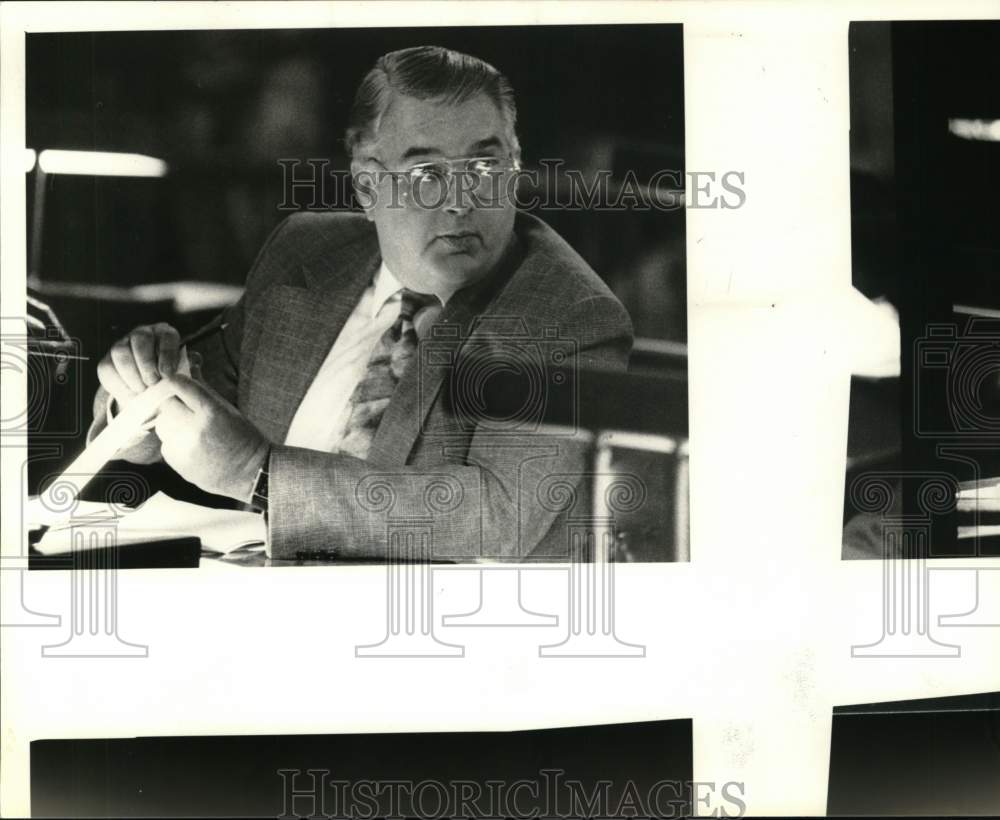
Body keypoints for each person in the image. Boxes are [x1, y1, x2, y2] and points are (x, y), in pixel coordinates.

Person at [91, 46, 634, 561]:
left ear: (515, 169)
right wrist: (140, 398)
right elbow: (203, 405)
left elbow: (499, 516)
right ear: (367, 186)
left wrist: (258, 475)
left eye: (485, 169)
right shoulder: (304, 250)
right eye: (427, 174)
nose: (461, 201)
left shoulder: (569, 313)